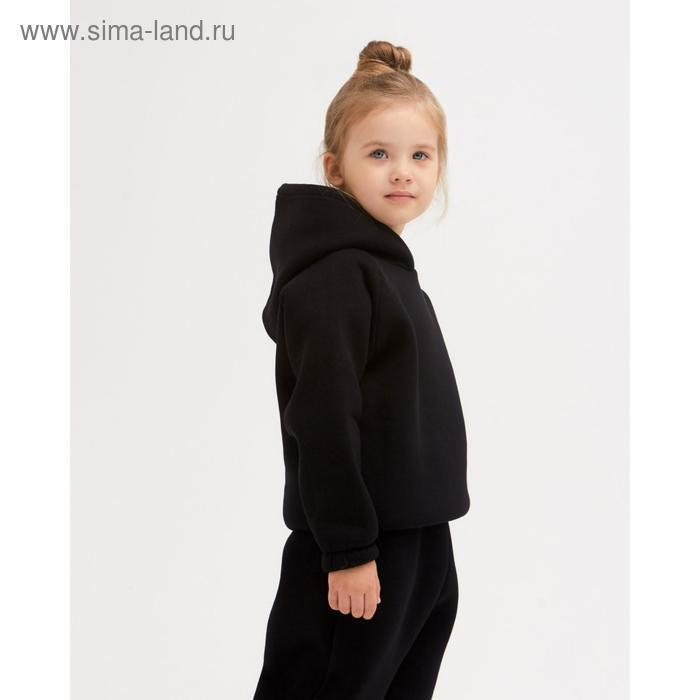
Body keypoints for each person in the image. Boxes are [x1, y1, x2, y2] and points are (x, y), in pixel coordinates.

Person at [253, 39, 471, 700]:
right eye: (378, 154)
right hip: (359, 550)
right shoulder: (336, 277)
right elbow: (322, 419)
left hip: (419, 540)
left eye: (420, 155)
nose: (402, 171)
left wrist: (431, 558)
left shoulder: (387, 269)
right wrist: (348, 550)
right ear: (336, 169)